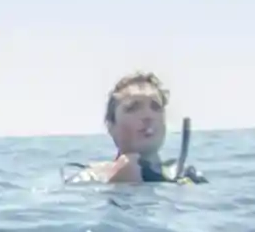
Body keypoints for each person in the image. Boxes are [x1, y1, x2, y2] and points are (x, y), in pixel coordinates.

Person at [68, 71, 204, 185]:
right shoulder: (89, 176)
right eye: (133, 108)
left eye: (156, 107)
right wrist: (118, 183)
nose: (148, 116)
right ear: (111, 126)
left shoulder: (185, 174)